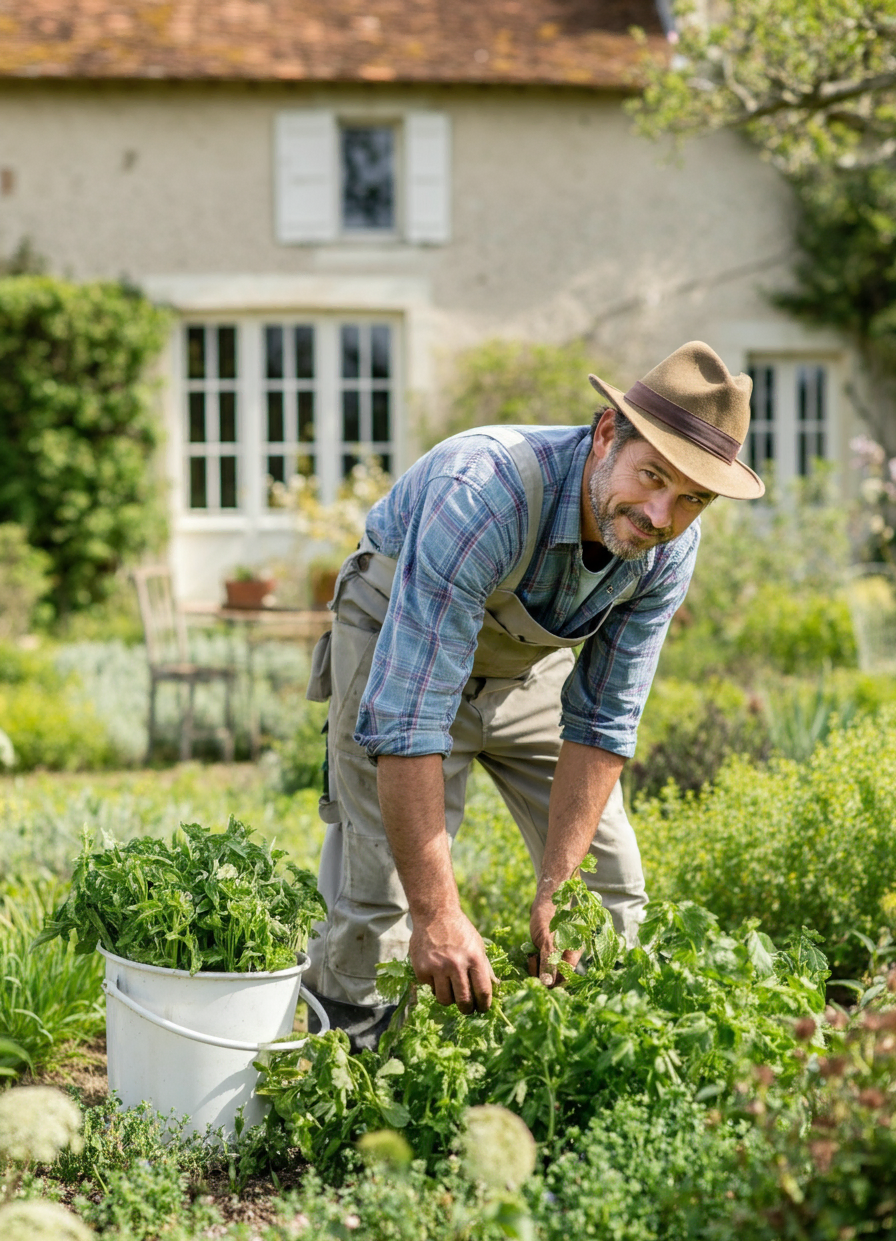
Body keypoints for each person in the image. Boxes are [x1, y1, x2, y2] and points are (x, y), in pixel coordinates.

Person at [304, 339, 764, 1050]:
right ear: (606, 434)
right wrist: (438, 914)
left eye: (691, 498)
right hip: (399, 641)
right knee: (383, 896)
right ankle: (350, 1075)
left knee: (602, 895)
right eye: (651, 476)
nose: (660, 515)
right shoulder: (482, 492)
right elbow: (412, 718)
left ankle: (594, 1071)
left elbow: (605, 718)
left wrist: (557, 892)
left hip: (526, 664)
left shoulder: (669, 544)